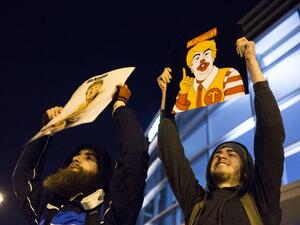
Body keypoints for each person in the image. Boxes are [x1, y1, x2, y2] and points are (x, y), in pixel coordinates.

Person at [157, 37, 285, 225]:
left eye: (231, 153)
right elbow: (170, 154)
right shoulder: (195, 202)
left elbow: (271, 133)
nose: (221, 155)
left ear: (245, 170)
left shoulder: (260, 200)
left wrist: (250, 61)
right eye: (218, 153)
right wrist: (167, 97)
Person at [12, 85, 150, 225]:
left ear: (102, 173)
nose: (76, 158)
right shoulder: (45, 207)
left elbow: (135, 155)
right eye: (76, 155)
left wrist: (119, 104)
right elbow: (23, 177)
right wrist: (47, 130)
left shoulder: (111, 210)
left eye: (89, 157)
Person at [173, 39, 245, 112]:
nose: (202, 59)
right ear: (191, 67)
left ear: (213, 57)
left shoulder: (229, 75)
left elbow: (235, 110)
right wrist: (183, 93)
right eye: (197, 58)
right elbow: (174, 120)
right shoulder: (185, 89)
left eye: (206, 54)